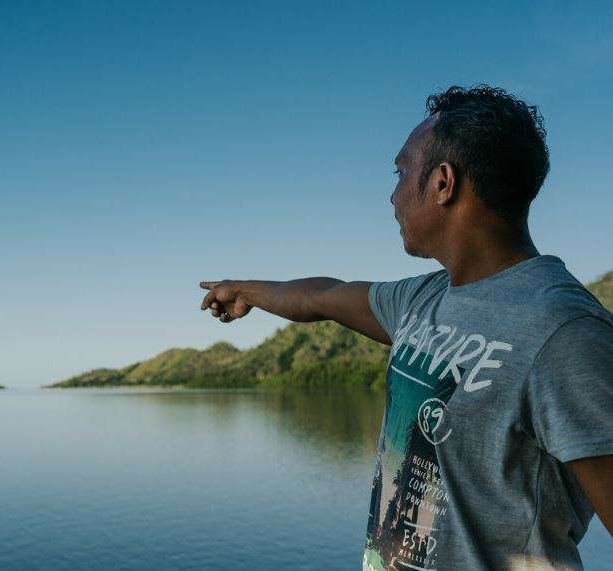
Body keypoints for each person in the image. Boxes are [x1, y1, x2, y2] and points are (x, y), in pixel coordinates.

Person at [198, 85, 612, 570]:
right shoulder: (424, 299)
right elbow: (322, 296)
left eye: (401, 172)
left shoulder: (565, 332)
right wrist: (245, 289)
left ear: (443, 183)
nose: (392, 194)